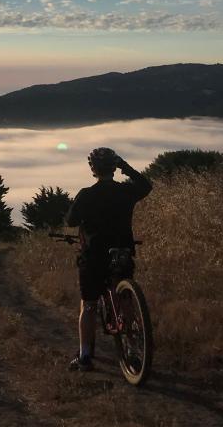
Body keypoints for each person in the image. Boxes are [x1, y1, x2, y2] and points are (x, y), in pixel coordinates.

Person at [66, 147, 152, 371]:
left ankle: (85, 356)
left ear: (92, 169)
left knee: (89, 305)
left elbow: (71, 221)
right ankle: (133, 347)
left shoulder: (86, 195)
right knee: (125, 300)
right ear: (114, 168)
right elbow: (146, 185)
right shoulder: (126, 192)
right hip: (122, 250)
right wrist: (126, 167)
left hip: (94, 256)